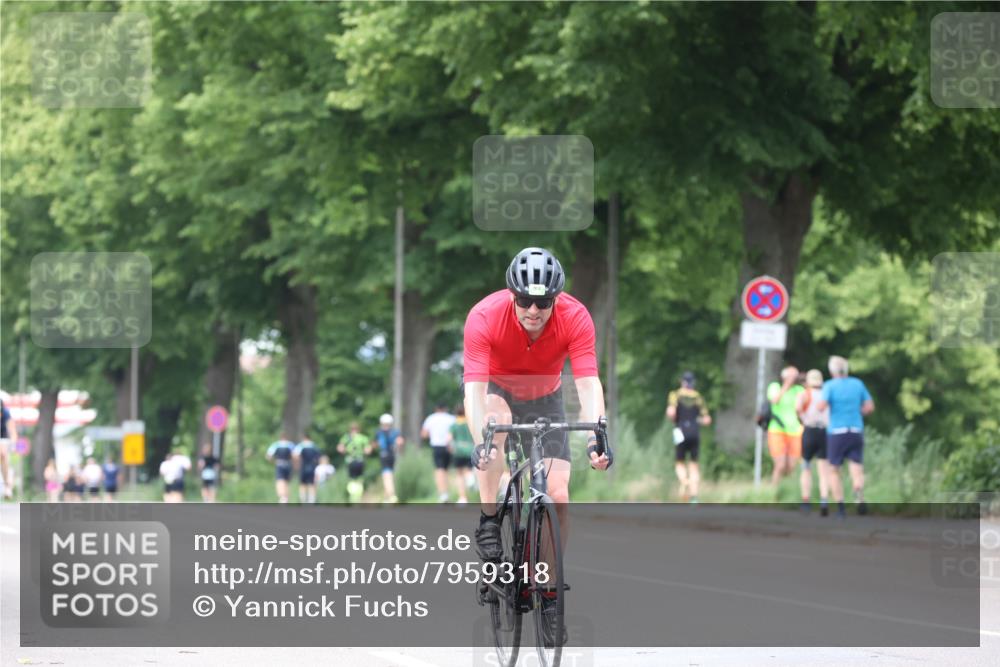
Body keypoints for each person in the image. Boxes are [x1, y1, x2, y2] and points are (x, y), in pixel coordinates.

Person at [464, 247, 611, 648]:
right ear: (511, 294)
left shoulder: (575, 317)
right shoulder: (484, 316)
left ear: (556, 299)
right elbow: (474, 390)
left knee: (558, 494)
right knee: (494, 429)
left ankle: (547, 595)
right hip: (497, 392)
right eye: (525, 300)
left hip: (546, 397)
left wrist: (597, 433)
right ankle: (490, 519)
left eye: (543, 302)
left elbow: (586, 383)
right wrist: (482, 441)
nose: (533, 309)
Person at [815, 356, 874, 519]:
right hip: (856, 430)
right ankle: (858, 492)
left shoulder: (829, 386)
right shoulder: (857, 384)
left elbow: (821, 407)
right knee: (856, 467)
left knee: (834, 470)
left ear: (832, 371)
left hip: (837, 432)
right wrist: (857, 411)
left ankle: (841, 507)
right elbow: (869, 407)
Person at [666, 371, 711, 504]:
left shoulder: (675, 395)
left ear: (682, 382)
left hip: (680, 431)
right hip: (695, 432)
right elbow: (707, 419)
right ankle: (694, 497)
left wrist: (674, 418)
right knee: (694, 465)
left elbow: (671, 413)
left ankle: (684, 481)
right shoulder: (698, 397)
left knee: (679, 462)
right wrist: (697, 421)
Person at [796, 369, 830, 515]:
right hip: (824, 432)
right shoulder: (827, 394)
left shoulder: (805, 393)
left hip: (809, 430)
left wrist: (803, 419)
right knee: (823, 470)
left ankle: (806, 501)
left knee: (806, 467)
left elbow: (797, 408)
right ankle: (824, 501)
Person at [766, 366, 805, 485]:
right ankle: (773, 491)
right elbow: (774, 400)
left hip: (795, 431)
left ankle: (786, 491)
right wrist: (786, 385)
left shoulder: (799, 389)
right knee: (780, 464)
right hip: (777, 430)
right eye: (791, 376)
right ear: (784, 377)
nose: (793, 379)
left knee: (791, 466)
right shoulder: (774, 387)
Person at [422, 403, 457, 503]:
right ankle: (447, 493)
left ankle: (443, 494)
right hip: (449, 446)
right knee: (446, 470)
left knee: (439, 470)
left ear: (436, 409)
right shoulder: (451, 418)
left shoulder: (431, 418)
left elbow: (424, 434)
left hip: (437, 446)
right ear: (445, 409)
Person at [337, 422, 373, 504]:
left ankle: (353, 497)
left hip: (350, 461)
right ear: (359, 430)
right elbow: (368, 450)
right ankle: (357, 497)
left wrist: (345, 451)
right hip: (360, 461)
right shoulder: (363, 438)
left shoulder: (346, 437)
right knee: (359, 479)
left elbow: (340, 448)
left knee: (351, 479)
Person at [446, 405, 475, 505]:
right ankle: (470, 477)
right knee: (468, 470)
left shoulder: (454, 425)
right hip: (470, 449)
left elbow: (449, 439)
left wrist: (450, 448)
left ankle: (463, 497)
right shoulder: (469, 423)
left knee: (459, 474)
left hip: (458, 451)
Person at [373, 414, 403, 504]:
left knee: (386, 475)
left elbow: (375, 444)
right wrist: (399, 449)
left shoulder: (379, 432)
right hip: (392, 455)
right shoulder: (395, 432)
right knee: (390, 475)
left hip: (384, 454)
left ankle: (392, 495)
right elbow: (400, 442)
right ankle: (387, 499)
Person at [265, 434, 295, 503]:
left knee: (280, 481)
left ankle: (282, 498)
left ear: (280, 438)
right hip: (288, 464)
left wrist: (274, 461)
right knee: (287, 481)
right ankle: (286, 498)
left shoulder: (276, 445)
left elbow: (268, 456)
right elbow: (295, 456)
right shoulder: (290, 444)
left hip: (279, 464)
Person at [294, 434, 321, 504]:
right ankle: (312, 500)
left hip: (303, 466)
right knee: (312, 483)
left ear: (304, 438)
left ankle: (303, 499)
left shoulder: (301, 445)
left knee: (303, 484)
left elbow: (295, 455)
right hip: (312, 466)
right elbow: (319, 457)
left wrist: (297, 464)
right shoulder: (314, 446)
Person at [0, 398, 16, 499]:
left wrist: (13, 444)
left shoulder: (6, 413)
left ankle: (7, 485)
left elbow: (12, 431)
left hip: (3, 438)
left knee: (3, 454)